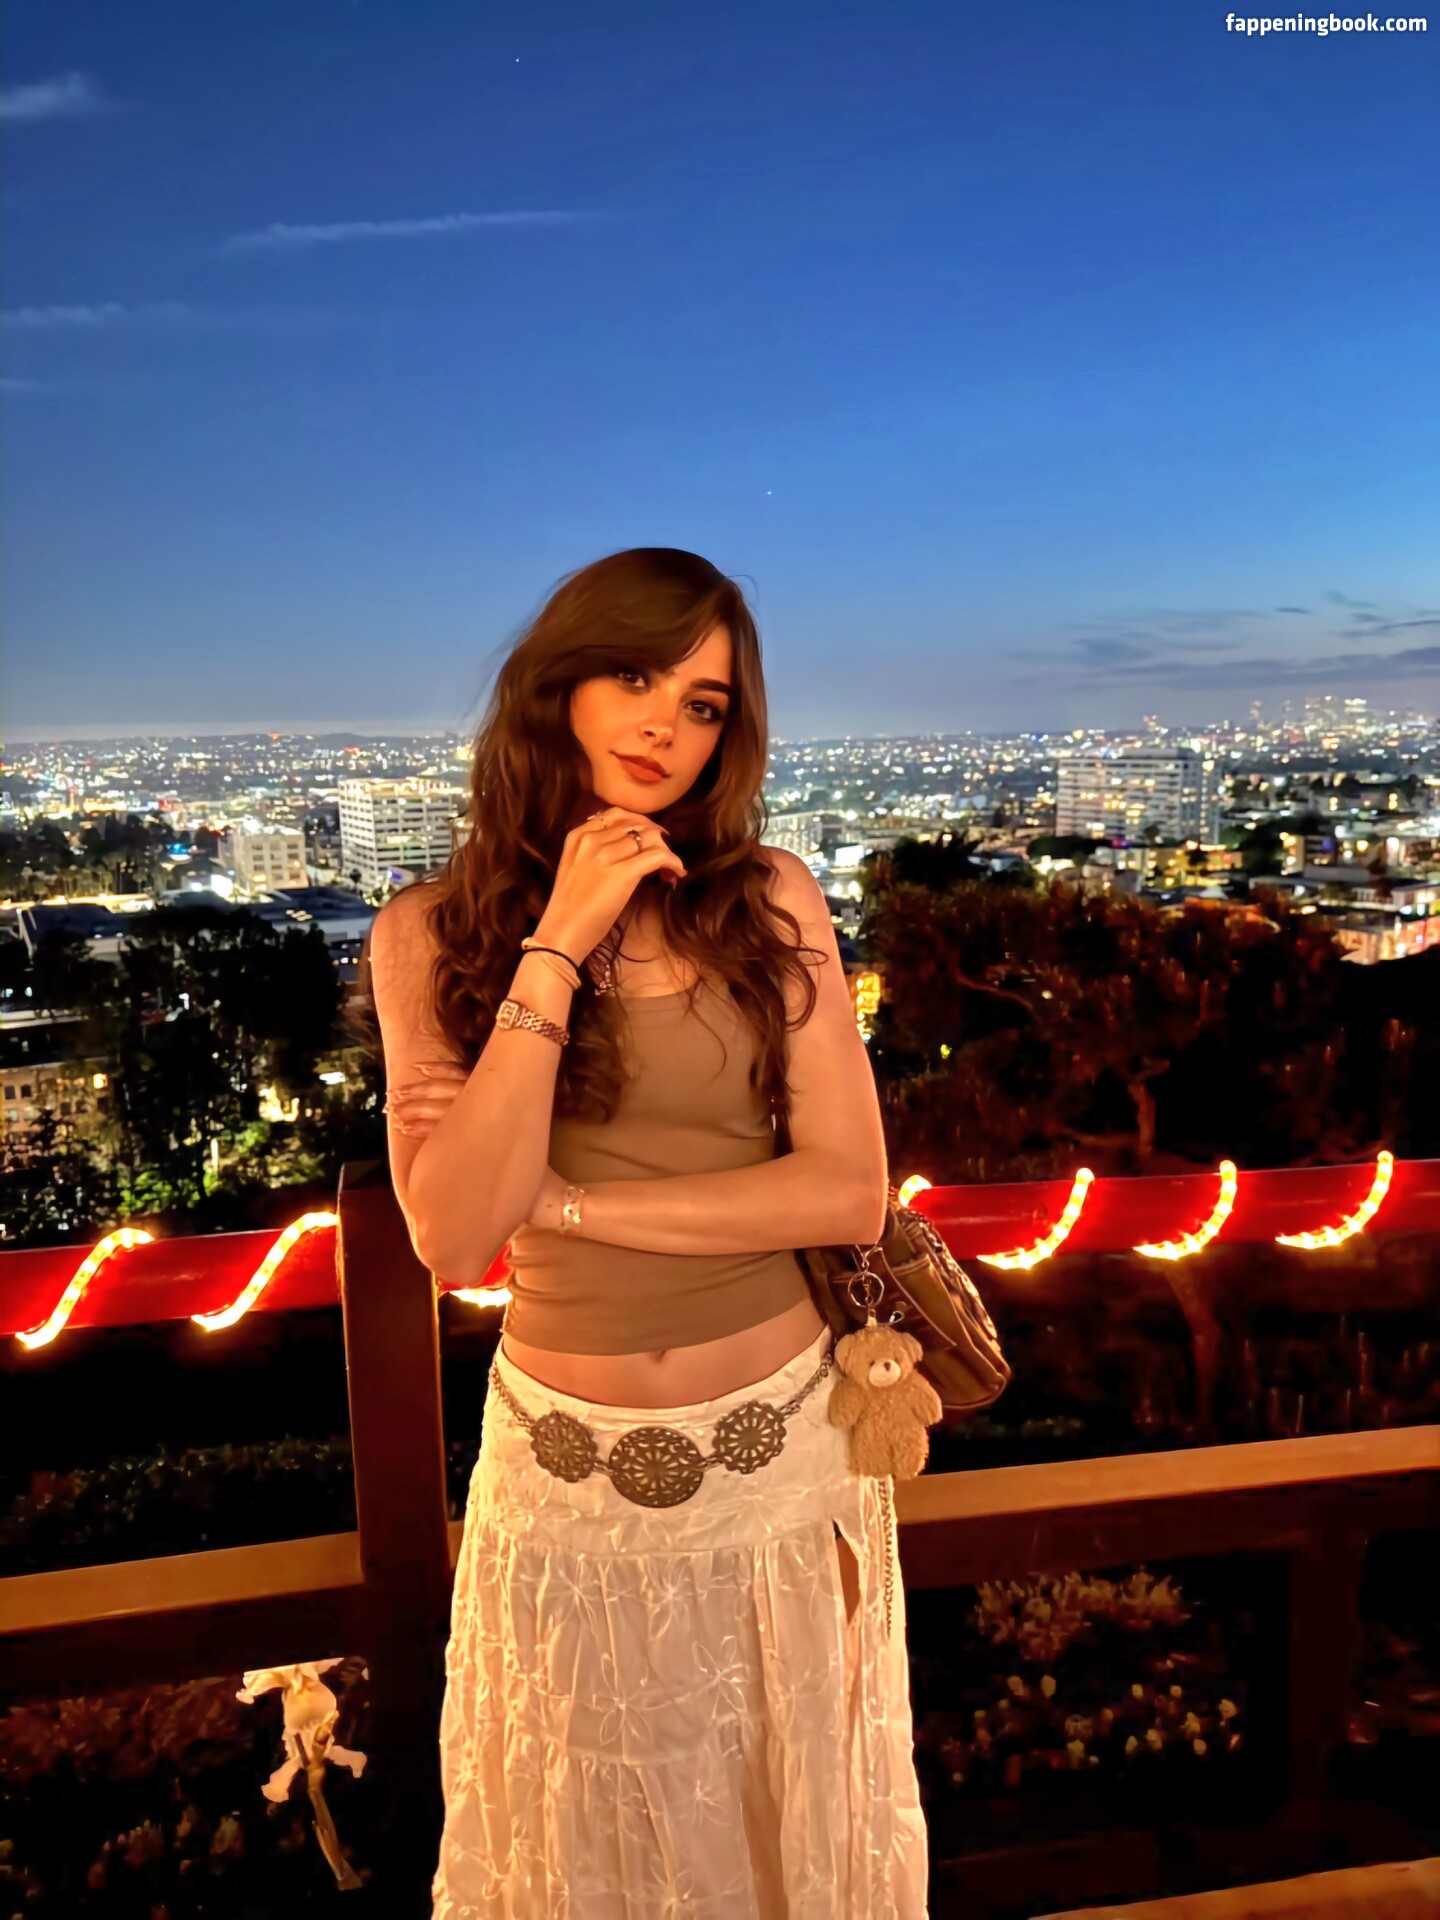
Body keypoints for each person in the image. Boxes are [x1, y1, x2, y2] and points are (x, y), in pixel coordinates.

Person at [368, 547, 929, 1917]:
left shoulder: (769, 898)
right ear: (557, 688)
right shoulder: (428, 934)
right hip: (562, 1483)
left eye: (704, 702)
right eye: (635, 676)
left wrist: (562, 1204)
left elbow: (845, 1191)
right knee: (579, 1834)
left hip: (781, 1456)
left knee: (787, 1827)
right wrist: (560, 939)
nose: (666, 725)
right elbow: (453, 1235)